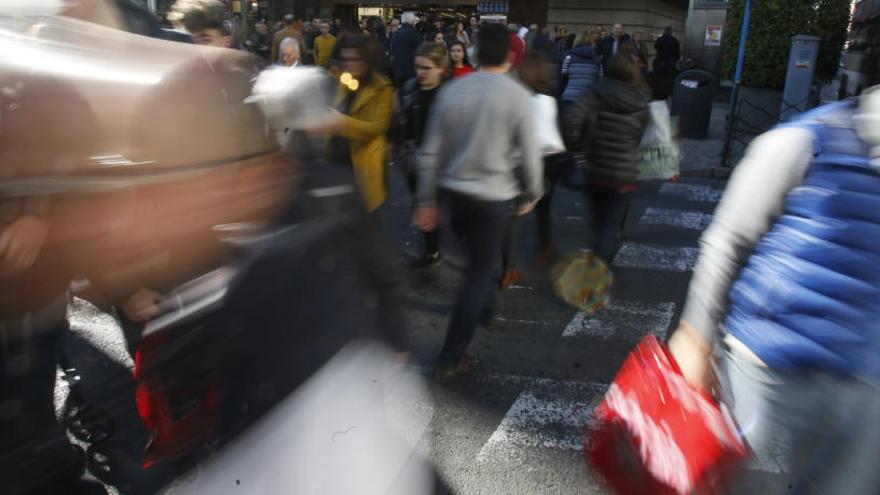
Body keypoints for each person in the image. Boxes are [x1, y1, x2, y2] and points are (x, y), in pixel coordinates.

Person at [667, 89, 880, 495]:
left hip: (866, 380)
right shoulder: (805, 141)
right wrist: (696, 336)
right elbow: (728, 240)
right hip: (768, 366)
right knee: (736, 484)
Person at [414, 23, 543, 384]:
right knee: (477, 273)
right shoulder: (517, 96)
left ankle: (484, 304)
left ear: (474, 53)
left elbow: (431, 152)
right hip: (493, 197)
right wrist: (532, 191)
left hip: (456, 195)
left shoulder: (454, 91)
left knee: (478, 262)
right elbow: (530, 155)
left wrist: (427, 200)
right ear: (508, 55)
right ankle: (451, 355)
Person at [563, 54, 649, 263]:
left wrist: (576, 149)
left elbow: (572, 122)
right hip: (625, 172)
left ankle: (596, 266)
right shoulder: (641, 98)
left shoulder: (595, 92)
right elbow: (643, 135)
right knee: (610, 227)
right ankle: (600, 270)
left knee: (597, 223)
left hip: (595, 167)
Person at [313, 35, 394, 214]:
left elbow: (376, 127)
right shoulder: (346, 79)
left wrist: (339, 122)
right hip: (336, 161)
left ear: (368, 59)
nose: (349, 64)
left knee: (363, 221)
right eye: (345, 59)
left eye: (355, 59)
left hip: (362, 165)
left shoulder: (382, 87)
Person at [395, 42, 449, 270]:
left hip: (442, 162)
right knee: (422, 205)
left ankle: (438, 245)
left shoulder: (450, 93)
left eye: (426, 68)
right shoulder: (409, 88)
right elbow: (399, 120)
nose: (421, 72)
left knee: (437, 206)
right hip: (414, 158)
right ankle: (432, 250)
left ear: (440, 68)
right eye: (418, 66)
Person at [519, 52, 567, 265]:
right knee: (543, 206)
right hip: (554, 157)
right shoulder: (551, 95)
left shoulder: (521, 96)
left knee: (519, 204)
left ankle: (508, 260)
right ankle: (545, 244)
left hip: (530, 156)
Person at [559, 30, 601, 104]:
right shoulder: (598, 60)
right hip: (588, 100)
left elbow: (563, 79)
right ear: (590, 42)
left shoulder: (568, 58)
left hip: (569, 98)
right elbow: (600, 79)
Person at [390, 12, 422, 87]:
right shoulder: (415, 34)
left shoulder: (396, 34)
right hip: (411, 72)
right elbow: (420, 52)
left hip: (398, 71)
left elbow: (392, 50)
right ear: (412, 21)